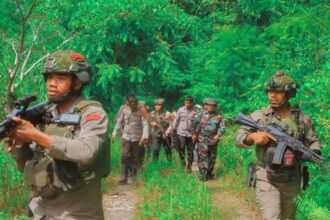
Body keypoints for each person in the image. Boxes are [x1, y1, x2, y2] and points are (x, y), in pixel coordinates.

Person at [7, 50, 110, 219]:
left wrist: (36, 136)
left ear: (77, 83)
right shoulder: (45, 115)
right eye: (49, 78)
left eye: (60, 78)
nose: (51, 84)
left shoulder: (92, 113)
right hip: (41, 211)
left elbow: (87, 152)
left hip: (77, 213)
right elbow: (24, 166)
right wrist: (19, 142)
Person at [235, 71, 321, 220]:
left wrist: (314, 152)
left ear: (289, 94)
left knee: (288, 217)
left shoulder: (301, 118)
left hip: (292, 179)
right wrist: (252, 136)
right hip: (266, 177)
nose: (272, 95)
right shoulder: (259, 116)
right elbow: (238, 139)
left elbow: (313, 141)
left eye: (277, 92)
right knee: (272, 217)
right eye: (269, 91)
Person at [112, 94, 148, 184]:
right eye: (130, 102)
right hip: (126, 136)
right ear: (127, 102)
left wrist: (144, 137)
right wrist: (114, 133)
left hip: (137, 137)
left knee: (135, 157)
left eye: (134, 102)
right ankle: (124, 178)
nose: (132, 104)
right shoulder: (124, 109)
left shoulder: (141, 111)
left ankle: (135, 178)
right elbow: (119, 121)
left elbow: (145, 124)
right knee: (125, 156)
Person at [192, 98, 225, 180]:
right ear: (206, 106)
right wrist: (193, 134)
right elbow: (193, 124)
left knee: (212, 157)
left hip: (213, 140)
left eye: (213, 106)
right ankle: (202, 174)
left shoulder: (219, 117)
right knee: (202, 156)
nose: (211, 107)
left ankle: (209, 173)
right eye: (209, 105)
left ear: (215, 106)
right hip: (202, 138)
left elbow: (222, 128)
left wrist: (218, 134)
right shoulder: (200, 114)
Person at [171, 95, 197, 171]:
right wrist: (174, 128)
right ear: (184, 102)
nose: (187, 104)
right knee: (181, 148)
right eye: (186, 102)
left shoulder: (195, 111)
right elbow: (176, 119)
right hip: (181, 132)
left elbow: (198, 122)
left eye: (189, 103)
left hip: (191, 134)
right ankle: (182, 163)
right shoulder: (180, 109)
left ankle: (189, 167)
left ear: (192, 103)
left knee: (190, 151)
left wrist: (195, 133)